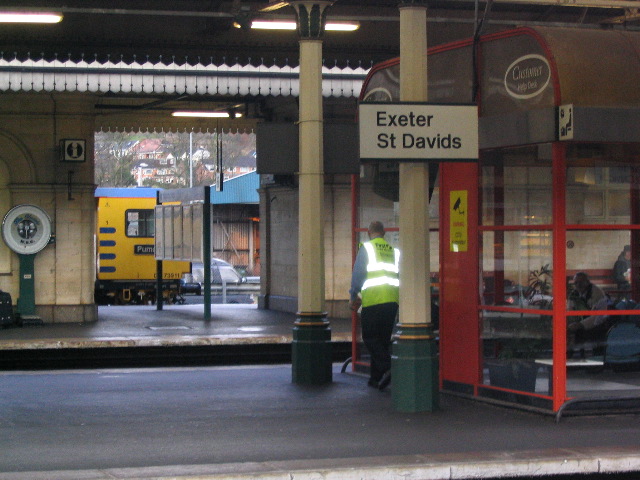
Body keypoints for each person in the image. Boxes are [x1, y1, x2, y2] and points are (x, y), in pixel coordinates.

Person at [349, 221, 399, 391]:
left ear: (369, 232)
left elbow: (358, 274)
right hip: (392, 301)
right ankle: (375, 379)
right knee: (383, 340)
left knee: (369, 337)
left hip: (373, 301)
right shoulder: (394, 251)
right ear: (384, 233)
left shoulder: (367, 248)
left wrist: (353, 295)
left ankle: (389, 366)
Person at [567, 272, 610, 353]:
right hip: (580, 322)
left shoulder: (597, 293)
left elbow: (599, 316)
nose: (578, 285)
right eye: (576, 282)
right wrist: (571, 323)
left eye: (581, 282)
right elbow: (570, 310)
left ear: (587, 282)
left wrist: (580, 324)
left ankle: (597, 357)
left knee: (594, 335)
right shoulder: (573, 294)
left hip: (598, 325)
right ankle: (566, 357)